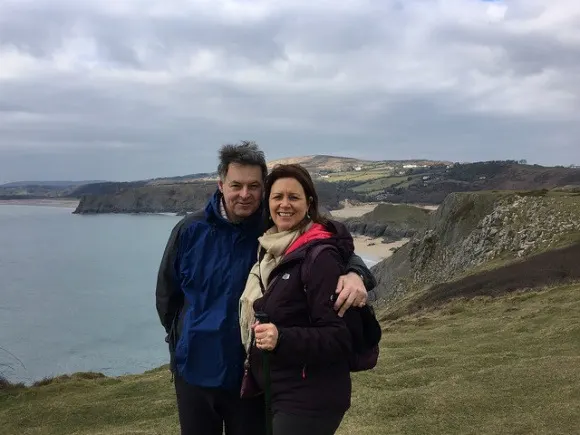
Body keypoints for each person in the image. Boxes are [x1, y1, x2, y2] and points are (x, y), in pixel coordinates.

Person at [155, 141, 376, 435]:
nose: (244, 195)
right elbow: (167, 298)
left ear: (263, 188)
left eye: (253, 186)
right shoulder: (188, 231)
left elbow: (331, 244)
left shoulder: (273, 228)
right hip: (193, 372)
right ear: (221, 185)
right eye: (236, 185)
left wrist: (355, 272)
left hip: (249, 377)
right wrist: (180, 345)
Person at [239, 163, 367, 435]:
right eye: (277, 197)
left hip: (311, 396)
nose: (284, 204)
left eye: (293, 197)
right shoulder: (271, 249)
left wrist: (281, 338)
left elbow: (338, 338)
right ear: (268, 202)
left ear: (309, 203)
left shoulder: (319, 257)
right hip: (279, 389)